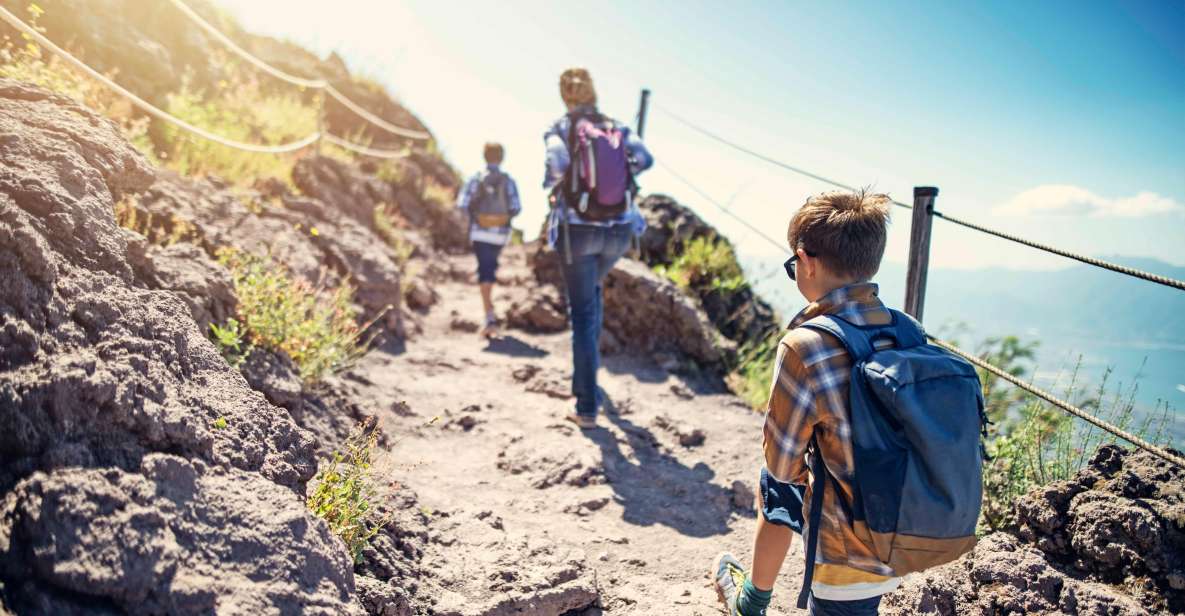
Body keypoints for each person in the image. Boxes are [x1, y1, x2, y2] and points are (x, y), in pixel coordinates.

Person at [712, 190, 900, 616]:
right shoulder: (905, 330)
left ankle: (753, 599)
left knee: (777, 479)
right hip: (912, 524)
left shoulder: (805, 346)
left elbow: (782, 466)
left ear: (806, 261)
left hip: (843, 546)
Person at [543, 67, 653, 429]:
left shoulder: (560, 127)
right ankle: (584, 383)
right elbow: (645, 159)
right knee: (593, 295)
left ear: (565, 95)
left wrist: (559, 186)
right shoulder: (617, 126)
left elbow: (556, 163)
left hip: (579, 230)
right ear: (593, 91)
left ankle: (586, 406)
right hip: (619, 230)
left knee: (583, 315)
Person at [457, 142, 522, 338]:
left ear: (484, 156)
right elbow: (516, 207)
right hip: (500, 234)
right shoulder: (508, 180)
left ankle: (489, 317)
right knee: (489, 267)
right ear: (501, 157)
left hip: (479, 231)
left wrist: (476, 218)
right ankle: (490, 313)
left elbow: (463, 204)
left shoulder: (476, 178)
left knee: (485, 269)